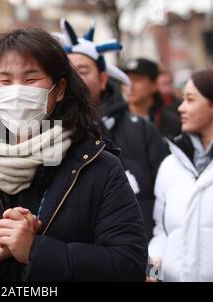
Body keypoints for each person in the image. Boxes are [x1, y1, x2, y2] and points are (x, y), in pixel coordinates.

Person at [0, 28, 148, 282]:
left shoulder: (98, 166)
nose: (17, 91)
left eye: (31, 79)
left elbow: (128, 265)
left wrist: (35, 251)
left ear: (59, 89)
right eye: (5, 80)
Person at [58, 19, 168, 240]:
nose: (75, 78)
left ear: (103, 79)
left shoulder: (141, 131)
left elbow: (168, 201)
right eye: (68, 71)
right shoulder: (44, 134)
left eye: (82, 70)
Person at [149, 67, 213, 281]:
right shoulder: (170, 165)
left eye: (190, 99)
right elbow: (162, 233)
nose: (181, 108)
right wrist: (153, 272)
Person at [123, 58, 181, 138]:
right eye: (126, 80)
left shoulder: (171, 123)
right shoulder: (113, 121)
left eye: (137, 80)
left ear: (155, 85)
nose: (130, 86)